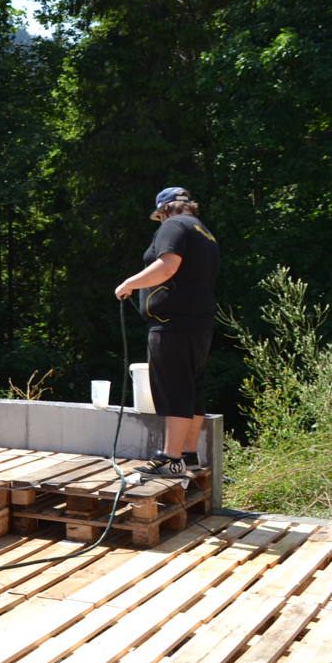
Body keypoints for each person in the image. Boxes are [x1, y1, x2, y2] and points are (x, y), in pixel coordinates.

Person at [114, 188, 220, 477]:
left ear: (165, 209)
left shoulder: (174, 225)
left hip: (171, 322)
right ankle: (188, 455)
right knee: (192, 388)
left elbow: (167, 266)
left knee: (174, 387)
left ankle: (170, 458)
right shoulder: (204, 232)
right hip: (199, 322)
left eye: (159, 216)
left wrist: (129, 284)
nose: (160, 221)